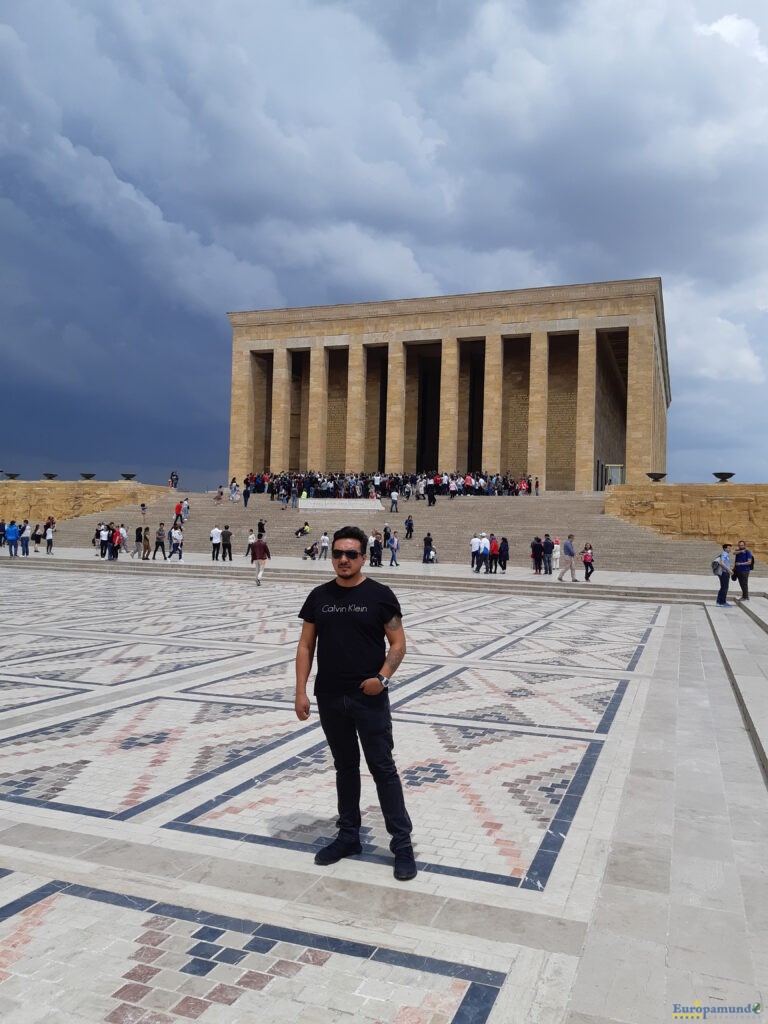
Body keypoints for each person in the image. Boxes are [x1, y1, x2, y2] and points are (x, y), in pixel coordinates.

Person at [295, 525, 416, 881]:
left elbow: (398, 644)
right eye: (337, 553)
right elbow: (305, 646)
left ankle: (402, 844)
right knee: (344, 768)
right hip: (330, 696)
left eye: (350, 554)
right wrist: (301, 690)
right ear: (330, 555)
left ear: (364, 556)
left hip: (368, 698)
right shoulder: (319, 596)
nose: (343, 560)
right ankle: (348, 836)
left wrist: (382, 679)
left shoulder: (380, 595)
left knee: (383, 768)